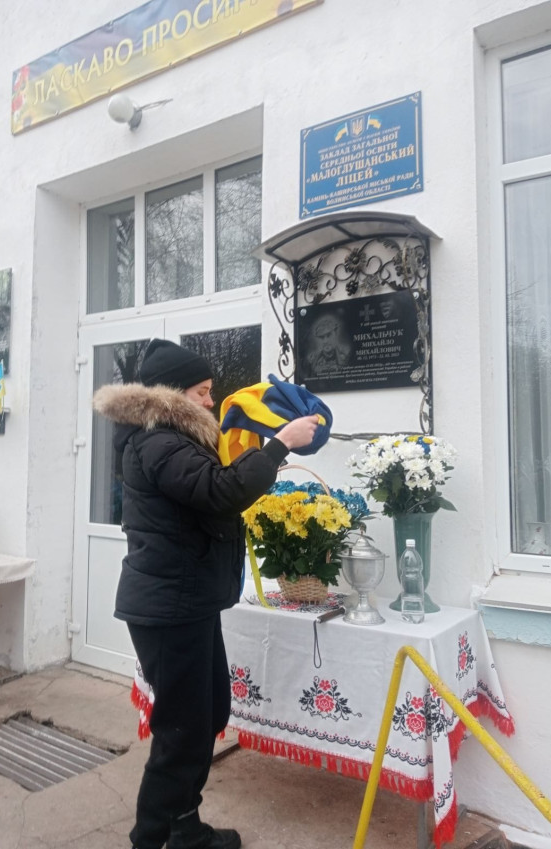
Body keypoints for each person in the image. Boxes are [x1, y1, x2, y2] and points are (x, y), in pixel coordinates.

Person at [93, 338, 321, 849]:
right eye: (202, 391)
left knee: (208, 713)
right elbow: (221, 492)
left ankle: (184, 827)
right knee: (181, 732)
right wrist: (278, 445)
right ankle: (151, 838)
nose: (210, 401)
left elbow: (214, 485)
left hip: (186, 601)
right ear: (174, 394)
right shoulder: (159, 442)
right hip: (169, 607)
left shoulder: (174, 440)